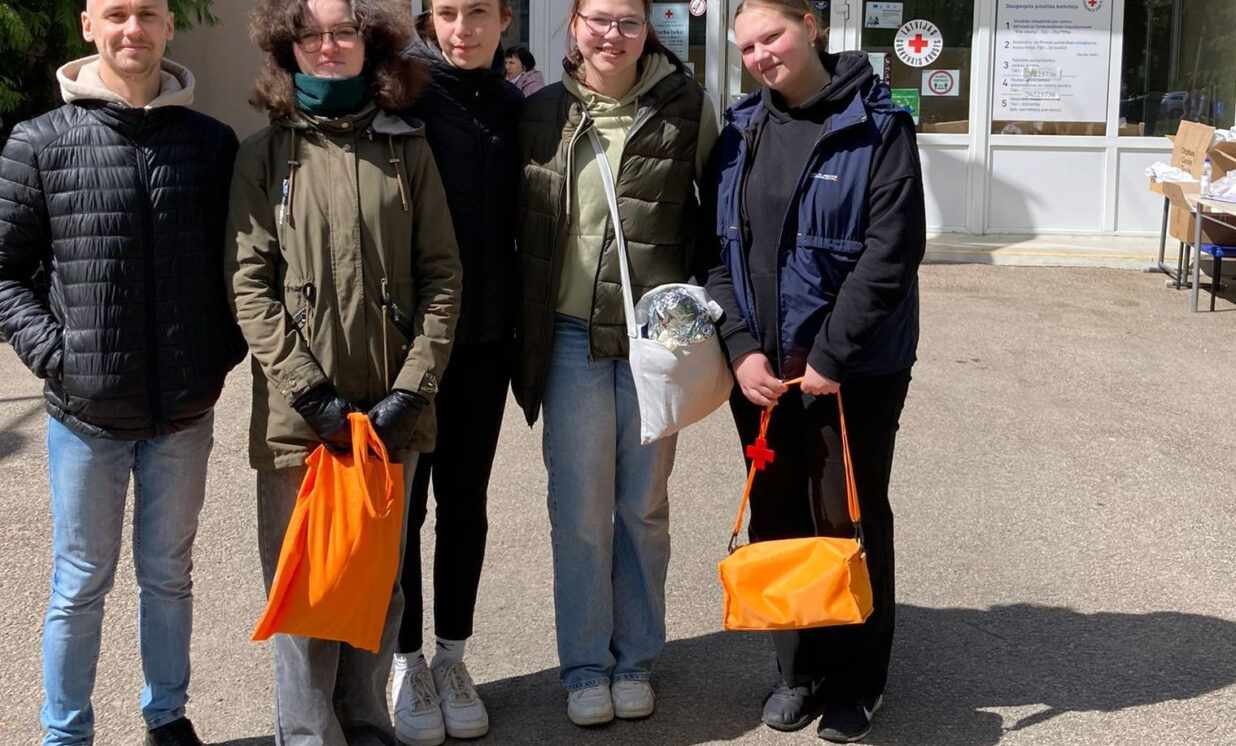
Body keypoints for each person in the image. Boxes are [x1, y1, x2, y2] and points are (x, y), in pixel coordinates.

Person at [0, 1, 243, 744]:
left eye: (147, 14)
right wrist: (59, 357)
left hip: (183, 413)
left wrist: (216, 352)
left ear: (168, 27)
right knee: (80, 583)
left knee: (168, 577)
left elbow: (239, 267)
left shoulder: (211, 143)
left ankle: (167, 716)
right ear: (89, 26)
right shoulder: (39, 141)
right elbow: (5, 273)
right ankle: (65, 732)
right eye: (116, 14)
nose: (132, 28)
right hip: (86, 416)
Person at [225, 0, 461, 742]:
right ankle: (307, 735)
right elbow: (249, 286)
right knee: (304, 592)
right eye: (311, 34)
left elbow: (443, 277)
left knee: (376, 586)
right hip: (300, 421)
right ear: (287, 47)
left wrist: (410, 391)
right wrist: (311, 394)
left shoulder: (407, 149)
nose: (327, 46)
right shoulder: (264, 155)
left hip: (392, 416)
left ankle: (367, 727)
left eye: (343, 32)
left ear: (370, 43)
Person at [705, 1, 925, 742]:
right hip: (762, 374)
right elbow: (715, 254)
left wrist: (831, 354)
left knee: (847, 518)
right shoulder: (739, 130)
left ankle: (859, 679)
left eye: (773, 36)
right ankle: (797, 670)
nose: (762, 55)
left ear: (811, 25)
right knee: (777, 517)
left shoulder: (879, 126)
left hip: (854, 371)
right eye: (748, 47)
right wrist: (740, 347)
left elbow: (892, 252)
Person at [515, 0, 717, 727]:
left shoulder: (687, 107)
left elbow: (717, 218)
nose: (613, 35)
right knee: (579, 512)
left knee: (642, 507)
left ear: (647, 27)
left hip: (653, 341)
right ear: (573, 24)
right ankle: (584, 668)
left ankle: (634, 660)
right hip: (569, 336)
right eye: (598, 19)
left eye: (628, 21)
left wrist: (703, 309)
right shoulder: (539, 113)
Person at [389, 1, 521, 744]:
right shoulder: (401, 98)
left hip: (487, 341)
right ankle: (406, 661)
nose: (462, 28)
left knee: (465, 502)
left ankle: (452, 658)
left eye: (478, 12)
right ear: (428, 20)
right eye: (447, 12)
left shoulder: (515, 107)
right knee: (405, 509)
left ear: (505, 21)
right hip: (411, 345)